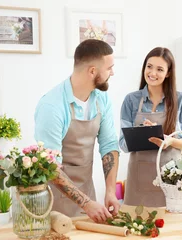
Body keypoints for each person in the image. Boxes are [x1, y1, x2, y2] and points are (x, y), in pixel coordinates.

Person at [34, 39, 120, 223]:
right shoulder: (52, 106)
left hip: (88, 194)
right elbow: (50, 166)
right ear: (92, 71)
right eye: (109, 68)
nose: (112, 72)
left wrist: (110, 191)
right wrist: (86, 203)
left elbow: (109, 145)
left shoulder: (101, 99)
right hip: (54, 201)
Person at [119, 47, 182, 207]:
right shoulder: (131, 101)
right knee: (136, 226)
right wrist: (142, 132)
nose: (152, 73)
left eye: (160, 69)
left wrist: (169, 141)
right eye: (149, 66)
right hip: (139, 178)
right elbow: (123, 145)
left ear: (168, 73)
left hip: (172, 177)